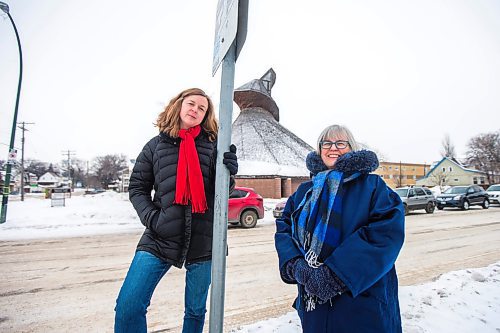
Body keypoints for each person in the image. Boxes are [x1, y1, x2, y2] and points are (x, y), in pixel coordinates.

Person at [114, 88, 238, 333]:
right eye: (191, 104)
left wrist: (229, 173)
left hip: (204, 239)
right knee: (128, 305)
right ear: (179, 106)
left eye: (202, 108)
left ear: (205, 116)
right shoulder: (155, 146)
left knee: (195, 312)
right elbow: (137, 188)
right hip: (160, 236)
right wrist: (153, 219)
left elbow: (221, 192)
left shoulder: (213, 146)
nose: (195, 110)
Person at [275, 124, 405, 332]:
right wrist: (295, 265)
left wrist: (335, 275)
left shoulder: (373, 187)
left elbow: (384, 234)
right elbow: (284, 228)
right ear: (319, 150)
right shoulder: (305, 192)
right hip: (314, 304)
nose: (332, 148)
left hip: (362, 300)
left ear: (351, 149)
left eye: (340, 143)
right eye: (326, 143)